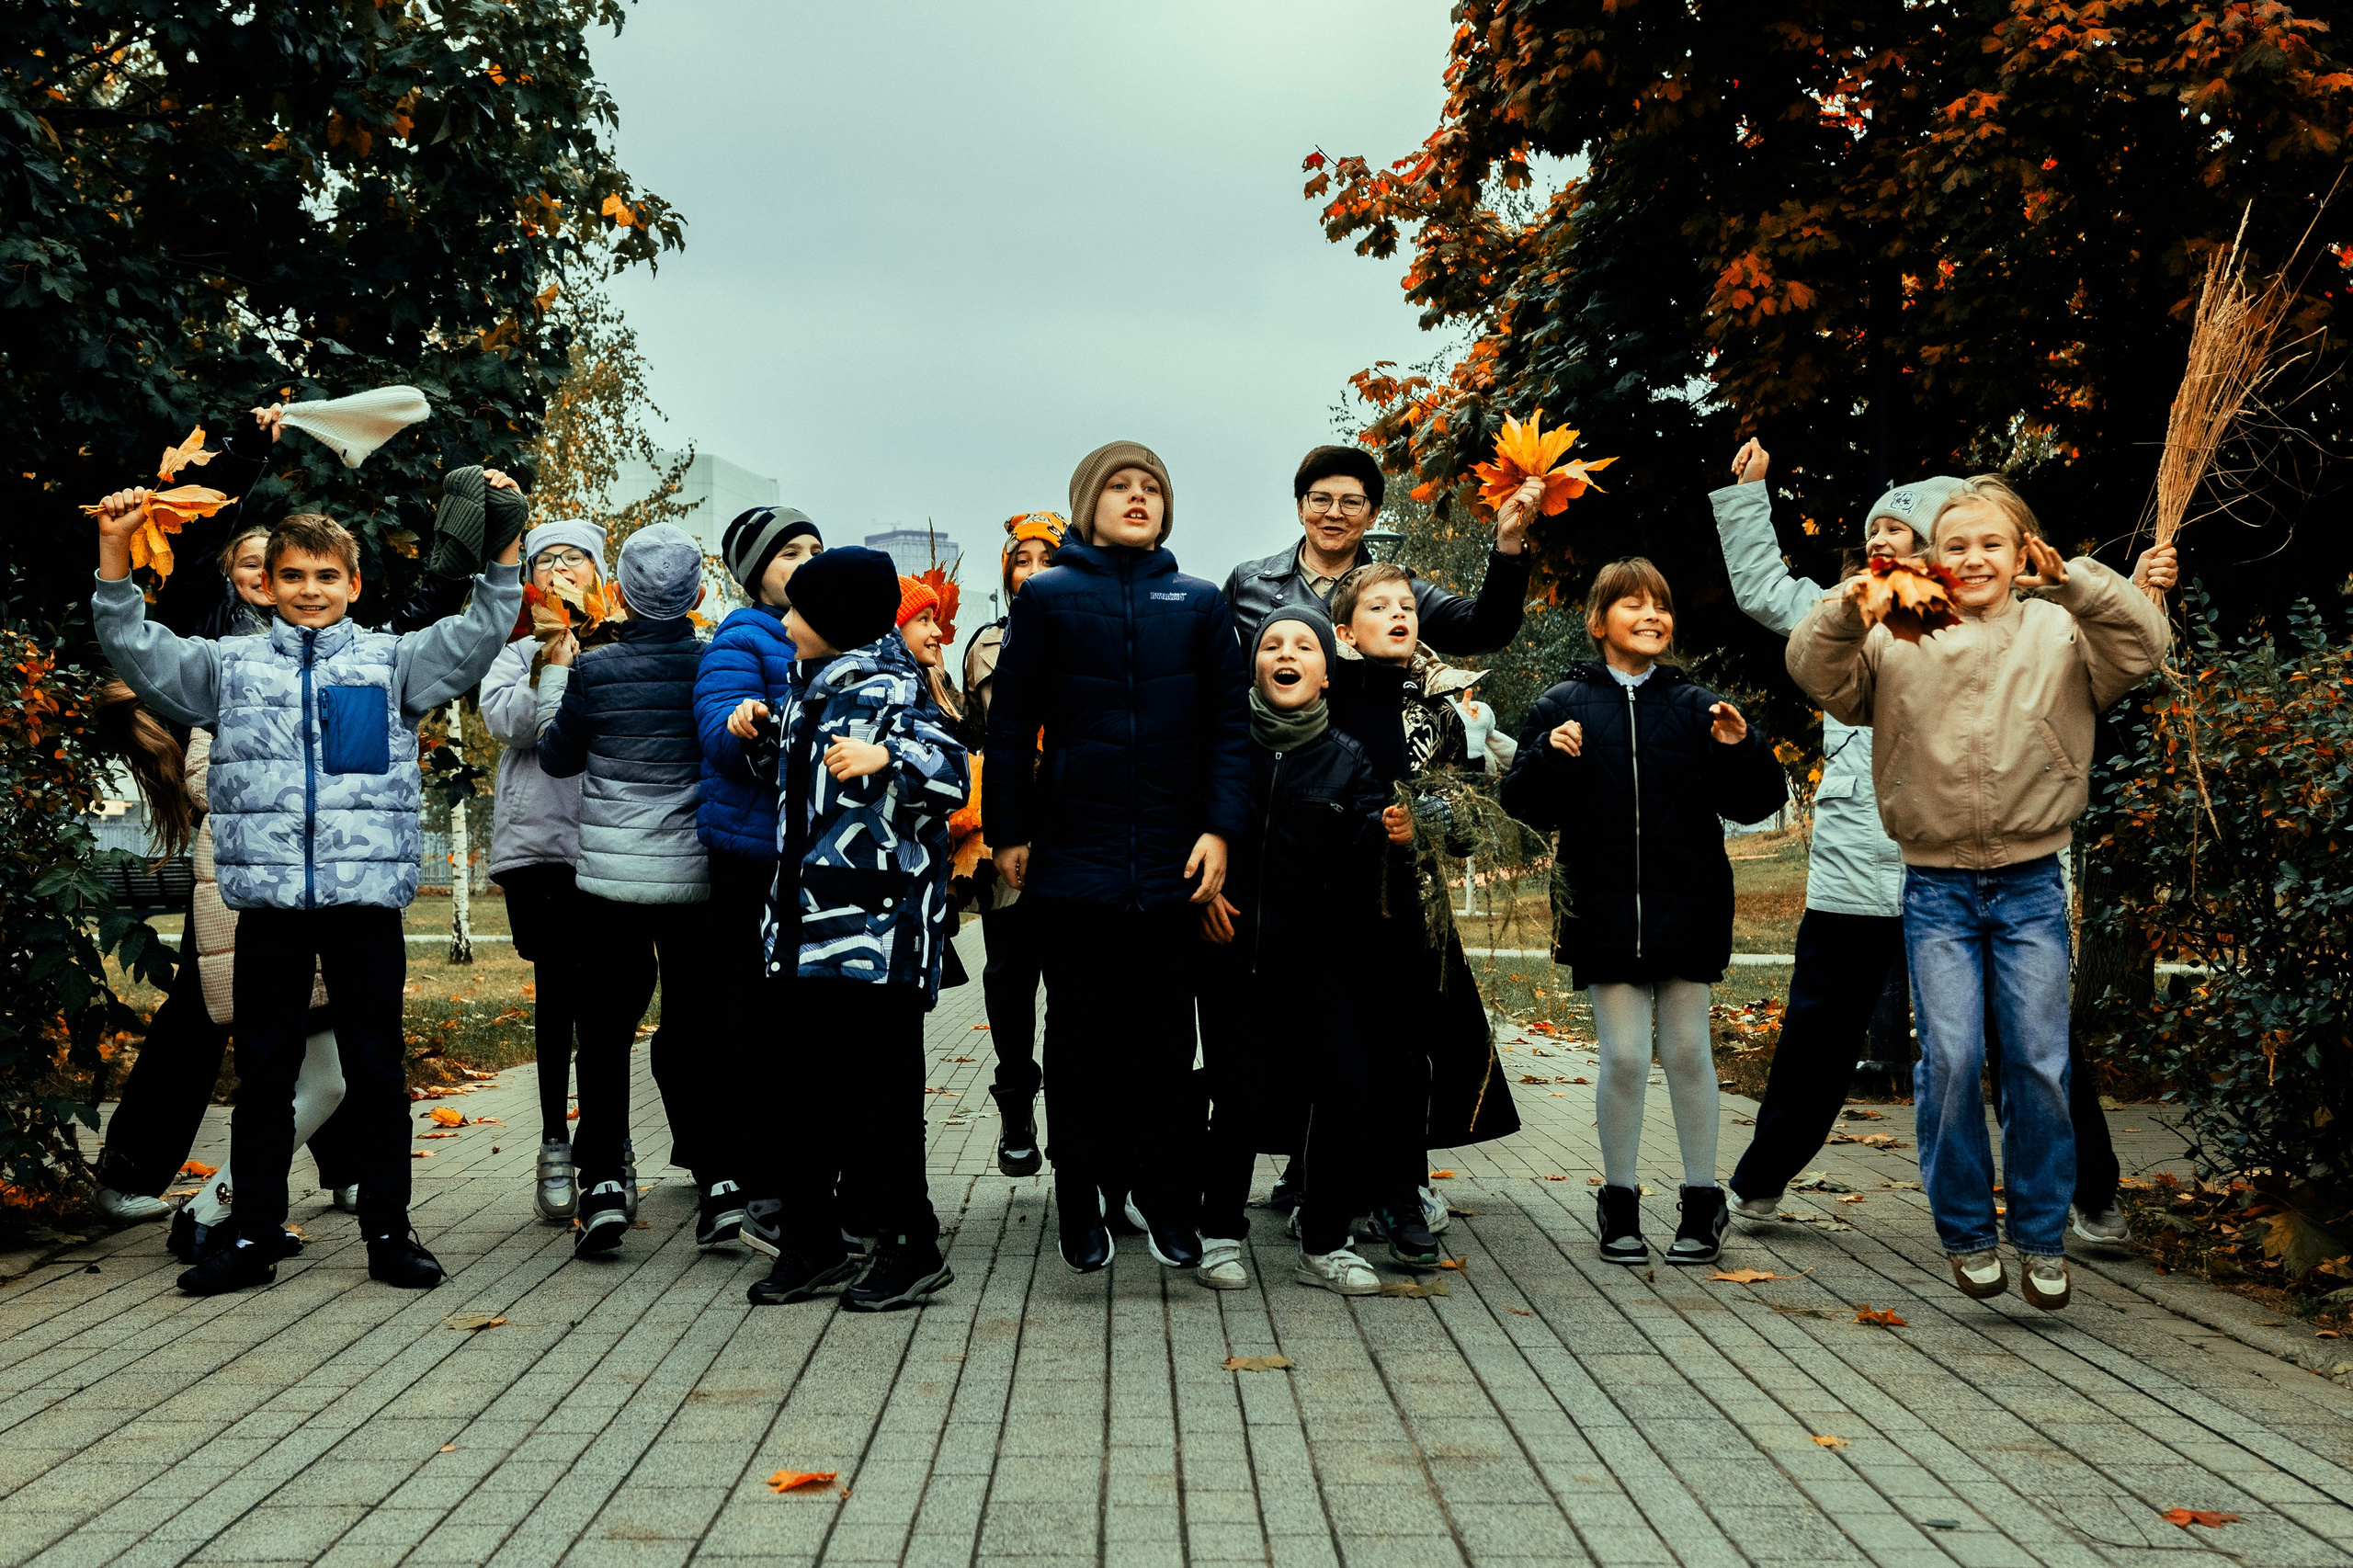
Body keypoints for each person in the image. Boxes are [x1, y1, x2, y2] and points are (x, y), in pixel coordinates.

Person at [91, 495, 522, 1295]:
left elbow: (480, 634)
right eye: (293, 575)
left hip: (365, 908)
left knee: (376, 1071)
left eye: (327, 575)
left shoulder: (392, 664)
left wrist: (505, 548)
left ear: (354, 584)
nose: (310, 588)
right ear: (271, 585)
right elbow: (134, 645)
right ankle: (252, 1236)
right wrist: (116, 553)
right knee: (264, 1077)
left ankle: (391, 1236)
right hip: (270, 909)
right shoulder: (229, 669)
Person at [1787, 477, 2171, 1310]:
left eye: (1991, 543)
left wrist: (2075, 578)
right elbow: (1816, 673)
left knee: (2038, 1062)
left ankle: (2039, 1236)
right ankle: (1965, 1230)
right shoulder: (1899, 631)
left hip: (2033, 881)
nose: (1973, 558)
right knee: (1954, 1060)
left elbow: (2144, 646)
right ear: (1932, 560)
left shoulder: (2060, 627)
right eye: (1954, 546)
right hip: (1935, 885)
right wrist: (1853, 607)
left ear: (2023, 550)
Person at [983, 441, 1251, 1275]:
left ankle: (1170, 1200)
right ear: (1086, 502)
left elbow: (1228, 731)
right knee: (1079, 1042)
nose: (1138, 498)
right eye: (1120, 487)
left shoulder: (1199, 602)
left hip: (1174, 857)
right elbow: (1009, 721)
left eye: (1152, 488)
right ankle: (1079, 1200)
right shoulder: (1049, 598)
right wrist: (1010, 833)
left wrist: (1219, 830)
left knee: (1169, 1043)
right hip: (1077, 855)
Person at [1500, 558, 1789, 1267]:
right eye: (1634, 605)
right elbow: (1522, 804)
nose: (1652, 615)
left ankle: (1701, 1202)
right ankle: (1619, 1200)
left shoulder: (1698, 706)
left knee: (1689, 1052)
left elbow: (1758, 801)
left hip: (1687, 906)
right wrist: (1549, 756)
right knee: (1626, 1058)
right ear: (1600, 623)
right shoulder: (1561, 702)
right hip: (1598, 909)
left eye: (1660, 605)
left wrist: (1743, 747)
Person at [1711, 443, 1962, 1222]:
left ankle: (2090, 1193)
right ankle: (1760, 1181)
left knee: (2019, 1032)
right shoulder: (1840, 610)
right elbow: (1761, 589)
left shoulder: (1989, 622)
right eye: (1875, 532)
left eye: (1902, 533)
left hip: (1957, 862)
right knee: (1820, 1031)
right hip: (1858, 862)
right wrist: (1751, 494)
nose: (1882, 543)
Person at [729, 545, 970, 1311]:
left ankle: (912, 1244)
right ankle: (812, 1242)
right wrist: (764, 738)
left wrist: (886, 756)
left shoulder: (895, 689)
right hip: (803, 931)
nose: (786, 622)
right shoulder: (810, 689)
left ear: (833, 620)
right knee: (799, 1092)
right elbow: (805, 795)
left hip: (877, 940)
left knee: (880, 1098)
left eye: (798, 611)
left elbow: (952, 775)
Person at [536, 523, 742, 1259]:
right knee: (701, 1032)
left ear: (619, 591)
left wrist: (558, 676)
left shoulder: (596, 670)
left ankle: (602, 1186)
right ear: (695, 596)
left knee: (606, 1032)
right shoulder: (716, 667)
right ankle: (721, 1182)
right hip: (694, 878)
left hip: (610, 883)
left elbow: (557, 759)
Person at [1195, 604, 1412, 1295]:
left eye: (1304, 647)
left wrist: (1389, 836)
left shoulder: (1348, 760)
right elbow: (1191, 832)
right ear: (1254, 669)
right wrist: (1200, 898)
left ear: (1324, 675)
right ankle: (1220, 1231)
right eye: (1271, 646)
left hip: (1323, 963)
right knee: (1238, 1099)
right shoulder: (1225, 751)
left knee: (1345, 1092)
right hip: (1234, 954)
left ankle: (1326, 1241)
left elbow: (1363, 868)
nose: (1286, 655)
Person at [1319, 562, 1524, 1267]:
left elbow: (1468, 816)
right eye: (1379, 607)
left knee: (1407, 1057)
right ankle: (1331, 1193)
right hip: (1333, 904)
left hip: (1411, 908)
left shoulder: (1439, 710)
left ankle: (1403, 1193)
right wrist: (1365, 824)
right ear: (1345, 632)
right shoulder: (1326, 695)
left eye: (1406, 606)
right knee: (1340, 1058)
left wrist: (1429, 825)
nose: (1399, 615)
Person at [481, 517, 607, 1222]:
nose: (562, 567)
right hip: (541, 847)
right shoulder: (515, 647)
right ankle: (555, 1142)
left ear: (597, 569)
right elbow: (511, 724)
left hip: (613, 839)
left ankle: (606, 1144)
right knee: (558, 993)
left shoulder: (620, 636)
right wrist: (554, 663)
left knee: (612, 999)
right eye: (548, 558)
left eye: (575, 558)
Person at [958, 510, 1068, 1178]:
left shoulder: (1092, 637)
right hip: (1009, 833)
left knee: (1071, 982)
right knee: (1010, 975)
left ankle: (1072, 1120)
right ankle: (1016, 1104)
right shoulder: (987, 645)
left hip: (1079, 830)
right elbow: (993, 734)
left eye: (1045, 559)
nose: (1032, 572)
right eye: (1021, 561)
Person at [1222, 444, 1536, 657]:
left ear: (1372, 515)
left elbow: (1486, 631)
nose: (1334, 513)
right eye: (1320, 499)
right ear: (1300, 508)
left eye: (1351, 502)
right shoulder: (1248, 585)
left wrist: (1508, 544)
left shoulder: (1400, 595)